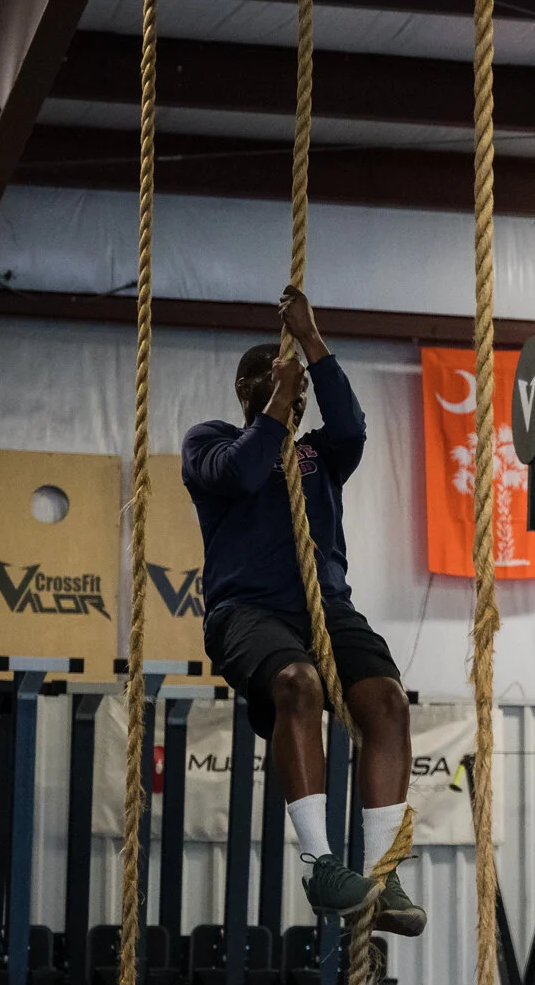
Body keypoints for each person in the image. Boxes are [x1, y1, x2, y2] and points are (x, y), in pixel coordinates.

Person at [182, 286, 425, 936]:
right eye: (272, 376)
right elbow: (242, 473)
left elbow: (351, 428)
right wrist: (277, 407)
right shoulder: (209, 443)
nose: (292, 388)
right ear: (245, 388)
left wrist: (313, 343)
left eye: (296, 384)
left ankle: (383, 873)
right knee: (298, 683)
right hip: (246, 613)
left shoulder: (321, 453)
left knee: (387, 701)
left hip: (327, 607)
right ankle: (321, 865)